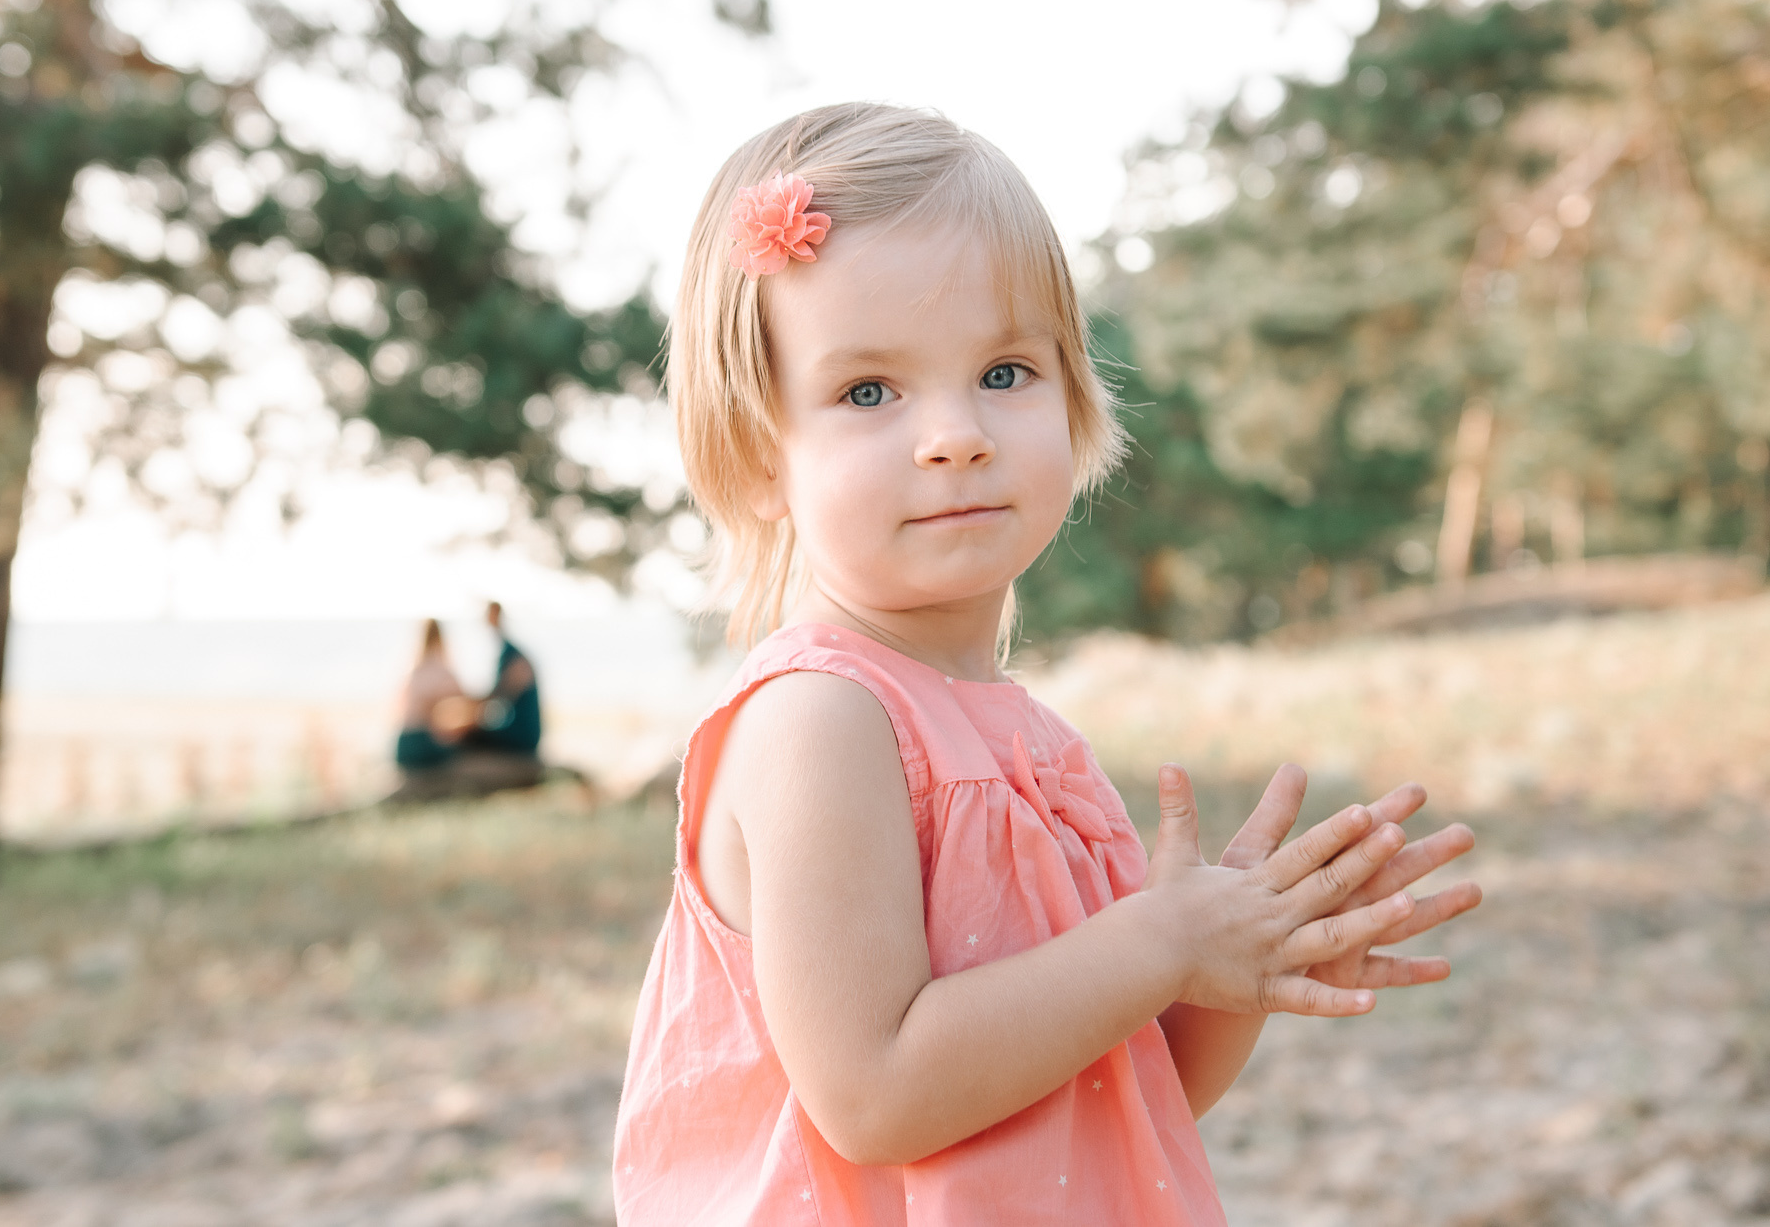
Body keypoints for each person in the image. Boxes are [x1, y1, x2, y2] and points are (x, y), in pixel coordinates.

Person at [613, 104, 1483, 1224]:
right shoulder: (819, 721)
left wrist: (1231, 967)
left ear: (1074, 401)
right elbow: (873, 1096)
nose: (954, 433)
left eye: (1005, 372)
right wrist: (1159, 937)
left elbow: (1118, 1084)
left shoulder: (1029, 743)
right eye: (867, 392)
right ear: (755, 456)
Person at [394, 619, 473, 774]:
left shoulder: (412, 672)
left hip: (402, 744)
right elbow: (465, 702)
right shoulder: (443, 671)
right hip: (422, 743)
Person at [465, 600, 542, 757]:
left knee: (468, 736)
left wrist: (469, 703)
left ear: (495, 616)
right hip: (521, 729)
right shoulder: (510, 651)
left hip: (522, 734)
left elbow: (501, 694)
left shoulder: (511, 654)